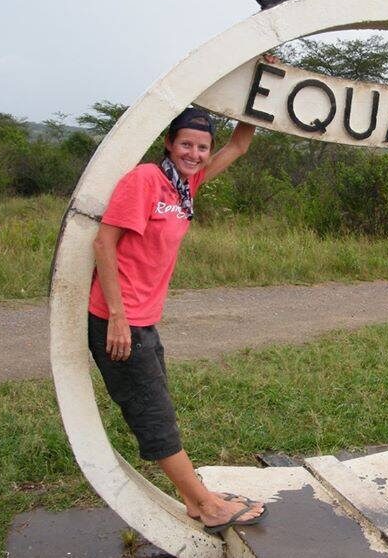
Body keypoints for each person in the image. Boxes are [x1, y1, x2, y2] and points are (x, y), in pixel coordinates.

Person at [88, 105, 267, 535]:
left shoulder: (185, 185)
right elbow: (103, 243)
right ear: (168, 144)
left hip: (143, 320)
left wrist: (262, 82)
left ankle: (192, 499)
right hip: (119, 321)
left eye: (202, 147)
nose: (195, 152)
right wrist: (117, 317)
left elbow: (240, 144)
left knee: (158, 405)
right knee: (154, 415)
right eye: (186, 143)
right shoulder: (146, 180)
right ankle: (207, 505)